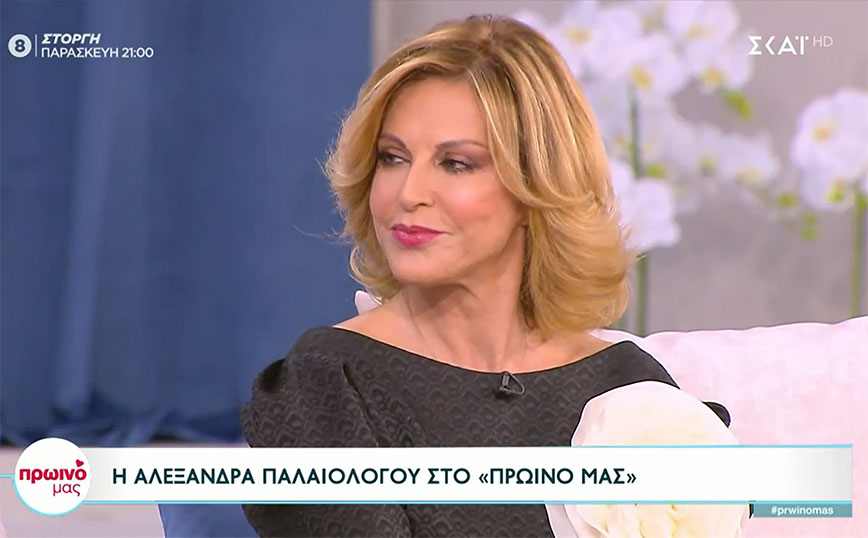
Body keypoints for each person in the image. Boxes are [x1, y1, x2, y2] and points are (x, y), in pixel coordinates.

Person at [240, 14, 734, 537]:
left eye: (456, 163)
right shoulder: (328, 383)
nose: (409, 193)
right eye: (392, 158)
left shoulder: (631, 390)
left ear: (535, 187)